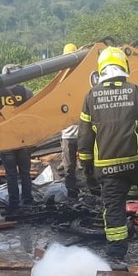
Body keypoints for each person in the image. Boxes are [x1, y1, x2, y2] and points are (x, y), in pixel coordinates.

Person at [78, 46, 138, 259]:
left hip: (107, 166)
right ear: (123, 66)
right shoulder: (136, 91)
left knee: (113, 206)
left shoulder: (91, 96)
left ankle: (117, 251)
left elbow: (84, 137)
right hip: (137, 160)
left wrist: (86, 164)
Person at [0, 64, 34, 213]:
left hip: (6, 138)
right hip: (22, 137)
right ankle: (28, 201)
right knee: (25, 172)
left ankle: (14, 203)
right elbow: (35, 106)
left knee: (11, 174)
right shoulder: (25, 91)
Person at [57, 43, 91, 198]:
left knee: (85, 164)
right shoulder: (62, 82)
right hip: (72, 133)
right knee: (70, 166)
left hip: (81, 132)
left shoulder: (83, 80)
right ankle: (73, 193)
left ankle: (90, 190)